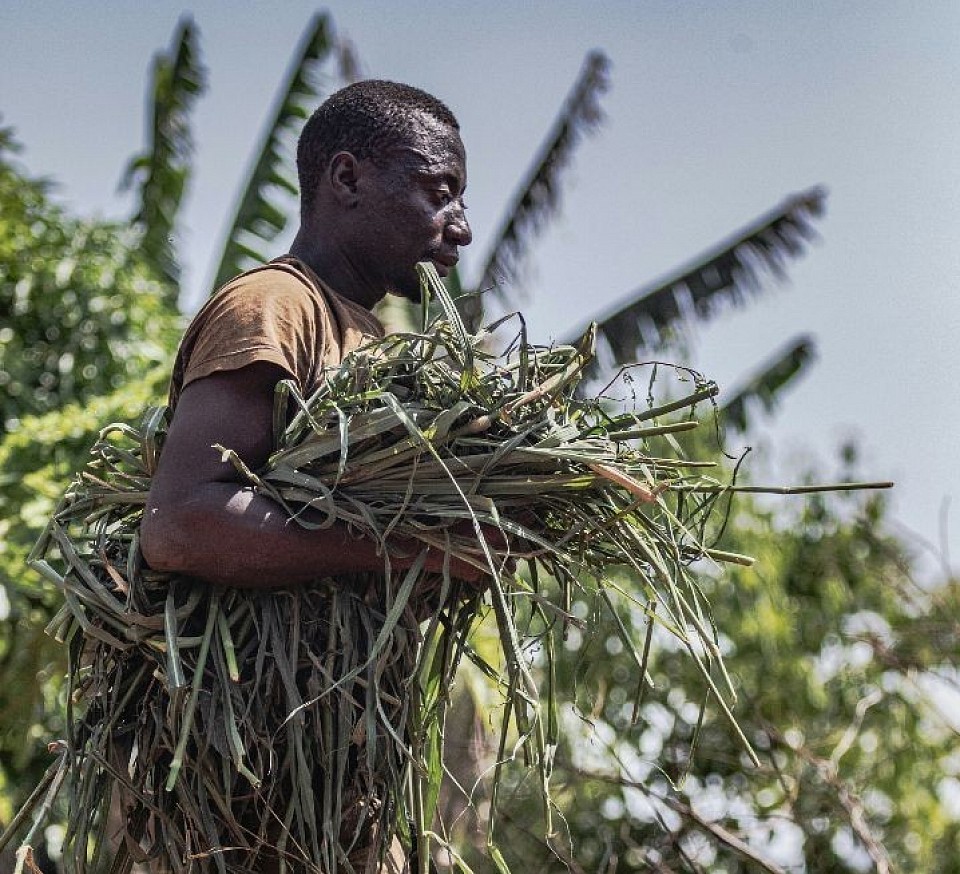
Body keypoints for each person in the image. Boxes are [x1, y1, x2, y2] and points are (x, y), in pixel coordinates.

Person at [138, 80, 477, 873]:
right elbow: (181, 522)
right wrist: (416, 552)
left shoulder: (378, 339)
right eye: (439, 192)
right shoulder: (276, 307)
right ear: (349, 179)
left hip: (336, 777)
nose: (459, 225)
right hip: (242, 789)